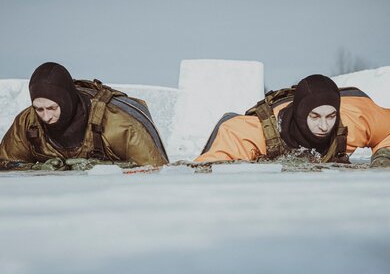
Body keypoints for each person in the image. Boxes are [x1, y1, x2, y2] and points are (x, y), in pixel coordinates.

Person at [195, 74, 390, 167]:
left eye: (330, 117)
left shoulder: (355, 120)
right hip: (236, 124)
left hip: (353, 100)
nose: (323, 126)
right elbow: (208, 170)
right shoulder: (257, 133)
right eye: (314, 117)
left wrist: (384, 154)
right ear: (301, 114)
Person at [0, 62, 168, 168]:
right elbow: (5, 163)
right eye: (39, 109)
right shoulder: (28, 122)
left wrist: (107, 168)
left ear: (66, 101)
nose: (46, 117)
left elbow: (155, 170)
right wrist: (35, 169)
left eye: (52, 108)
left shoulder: (120, 124)